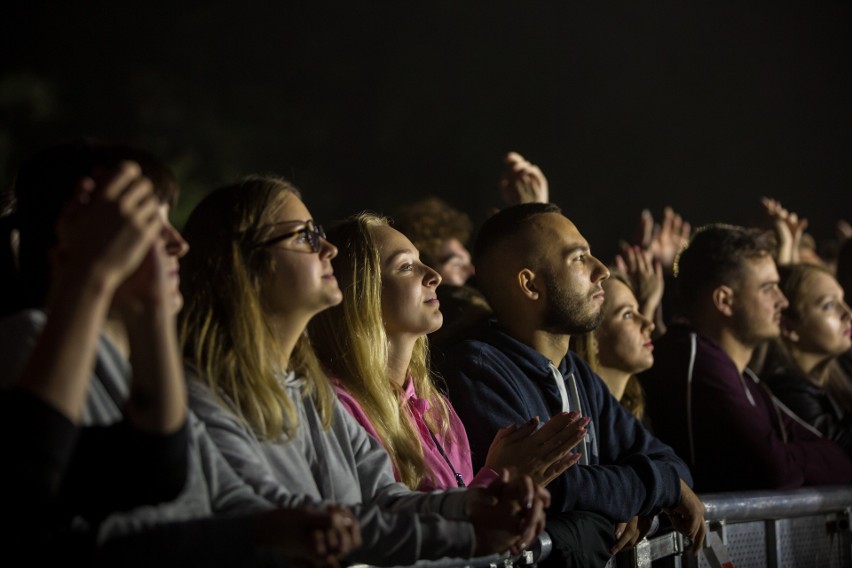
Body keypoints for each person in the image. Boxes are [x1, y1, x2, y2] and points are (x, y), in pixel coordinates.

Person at [0, 140, 362, 567]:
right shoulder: (27, 340)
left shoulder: (134, 363)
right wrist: (90, 276)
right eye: (148, 226)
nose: (177, 243)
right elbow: (45, 519)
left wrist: (152, 311)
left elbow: (161, 469)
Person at [178, 175, 551, 566]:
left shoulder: (312, 392)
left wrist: (475, 505)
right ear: (247, 264)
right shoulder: (206, 397)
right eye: (304, 236)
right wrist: (469, 532)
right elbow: (292, 523)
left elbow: (382, 499)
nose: (327, 248)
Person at [437, 203, 705, 568]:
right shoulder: (478, 369)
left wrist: (637, 494)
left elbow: (670, 463)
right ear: (531, 285)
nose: (602, 271)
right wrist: (652, 488)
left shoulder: (572, 370)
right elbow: (553, 487)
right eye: (579, 259)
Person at [307, 212, 587, 493]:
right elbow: (387, 528)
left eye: (421, 261)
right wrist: (497, 482)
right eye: (405, 266)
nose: (434, 276)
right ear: (361, 293)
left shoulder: (436, 408)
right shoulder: (338, 410)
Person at [639, 224, 852, 493]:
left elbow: (841, 459)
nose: (782, 301)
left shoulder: (743, 375)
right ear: (725, 301)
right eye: (768, 288)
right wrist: (785, 453)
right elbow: (775, 470)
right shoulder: (697, 361)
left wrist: (785, 453)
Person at [762, 263, 852, 455]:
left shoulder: (842, 365)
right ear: (789, 328)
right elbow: (842, 454)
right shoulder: (789, 393)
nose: (847, 313)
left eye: (843, 300)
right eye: (829, 305)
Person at [571, 271, 655, 423]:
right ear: (593, 339)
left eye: (639, 310)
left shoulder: (635, 418)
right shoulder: (580, 422)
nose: (649, 324)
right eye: (628, 314)